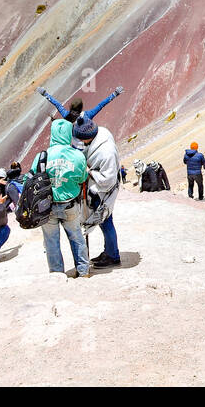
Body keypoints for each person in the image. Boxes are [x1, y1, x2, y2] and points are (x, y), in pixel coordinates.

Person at [39, 118, 91, 277]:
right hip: (70, 205)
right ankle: (83, 271)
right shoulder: (77, 156)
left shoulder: (43, 156)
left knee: (51, 241)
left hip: (47, 208)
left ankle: (56, 273)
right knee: (77, 238)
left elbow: (33, 179)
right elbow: (83, 178)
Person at [75, 117, 121, 269]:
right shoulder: (101, 134)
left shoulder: (105, 152)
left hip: (102, 192)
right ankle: (109, 251)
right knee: (104, 222)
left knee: (106, 221)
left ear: (88, 137)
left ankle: (113, 255)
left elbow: (108, 179)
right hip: (98, 190)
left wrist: (90, 172)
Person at [38, 85, 124, 122]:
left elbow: (57, 104)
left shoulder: (66, 115)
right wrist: (114, 94)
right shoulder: (88, 115)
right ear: (80, 109)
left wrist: (46, 94)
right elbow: (101, 105)